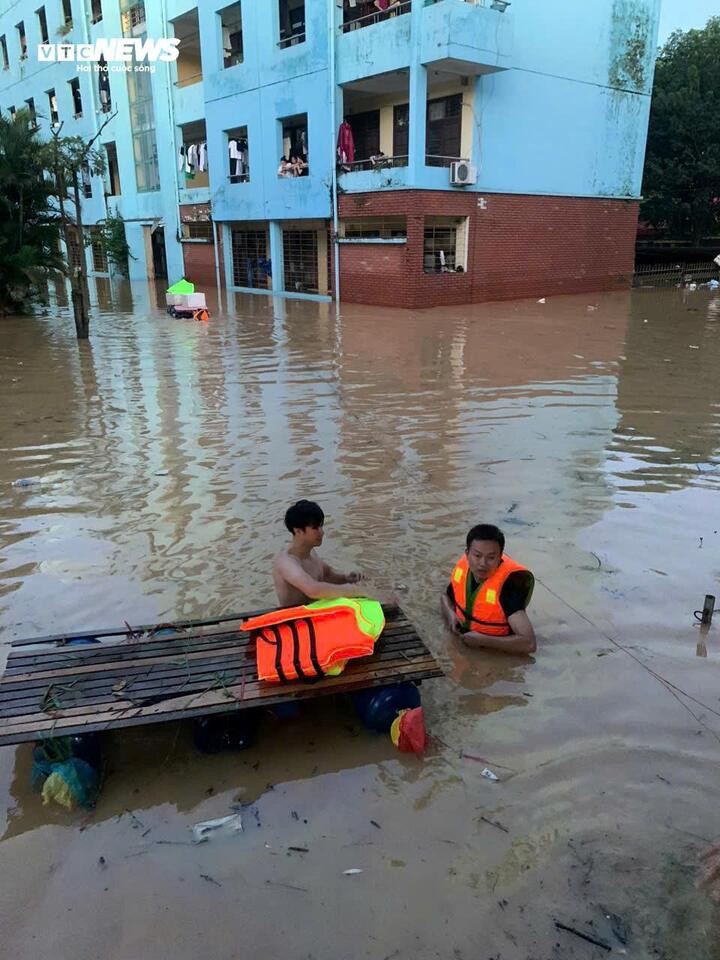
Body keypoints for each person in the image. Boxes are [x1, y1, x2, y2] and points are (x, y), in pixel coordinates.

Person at [441, 523, 536, 654]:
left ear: (500, 557)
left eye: (491, 557)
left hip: (495, 652)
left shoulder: (507, 589)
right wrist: (450, 615)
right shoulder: (463, 572)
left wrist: (485, 641)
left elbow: (529, 643)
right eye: (477, 555)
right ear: (467, 554)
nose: (482, 564)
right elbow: (445, 597)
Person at [273, 500, 368, 606]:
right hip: (294, 618)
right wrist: (353, 590)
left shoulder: (310, 552)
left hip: (315, 611)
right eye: (315, 528)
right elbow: (313, 589)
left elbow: (327, 575)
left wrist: (346, 578)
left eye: (321, 526)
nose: (322, 532)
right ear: (298, 531)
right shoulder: (286, 562)